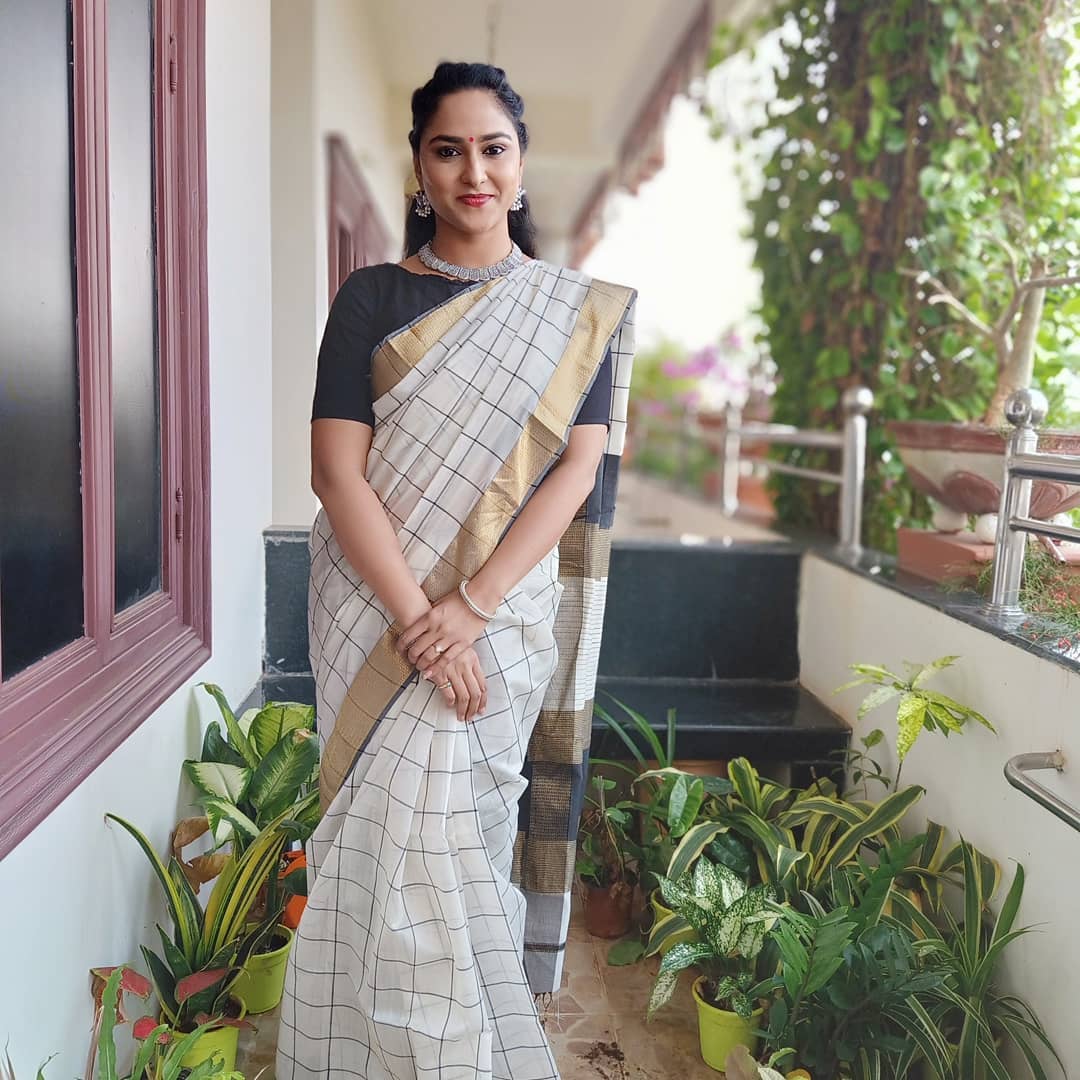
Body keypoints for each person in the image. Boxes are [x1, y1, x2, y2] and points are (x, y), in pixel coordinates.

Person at [277, 60, 636, 1080]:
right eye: (449, 149)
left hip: (501, 612)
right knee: (380, 848)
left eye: (493, 148)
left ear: (520, 171)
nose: (473, 171)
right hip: (371, 608)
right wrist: (421, 623)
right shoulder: (372, 296)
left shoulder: (577, 314)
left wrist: (470, 609)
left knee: (457, 840)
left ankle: (453, 1055)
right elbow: (335, 473)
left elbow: (575, 470)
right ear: (421, 169)